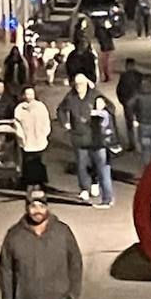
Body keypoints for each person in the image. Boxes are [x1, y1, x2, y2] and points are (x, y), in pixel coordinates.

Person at [55, 72, 101, 203]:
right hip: (78, 135)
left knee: (95, 161)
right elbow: (61, 110)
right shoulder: (70, 97)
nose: (78, 87)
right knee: (81, 163)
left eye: (81, 84)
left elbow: (110, 108)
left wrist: (100, 111)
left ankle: (95, 182)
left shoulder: (94, 95)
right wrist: (65, 123)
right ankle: (84, 188)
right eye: (76, 84)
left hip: (93, 135)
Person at [14, 85, 52, 186]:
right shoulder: (19, 108)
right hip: (26, 139)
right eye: (27, 94)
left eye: (31, 94)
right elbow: (17, 124)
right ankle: (28, 181)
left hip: (39, 138)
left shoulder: (41, 107)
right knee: (27, 160)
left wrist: (45, 133)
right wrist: (21, 136)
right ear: (23, 95)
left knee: (39, 159)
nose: (29, 96)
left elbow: (46, 121)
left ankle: (40, 181)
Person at [88, 95, 119, 207]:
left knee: (103, 173)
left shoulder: (100, 116)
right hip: (106, 146)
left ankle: (107, 199)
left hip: (100, 146)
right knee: (105, 172)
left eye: (100, 102)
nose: (98, 105)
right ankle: (108, 198)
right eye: (96, 103)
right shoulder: (109, 115)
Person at [115, 58, 142, 149]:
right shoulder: (140, 76)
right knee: (141, 123)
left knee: (129, 125)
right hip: (138, 103)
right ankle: (141, 141)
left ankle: (132, 143)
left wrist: (123, 101)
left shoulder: (123, 76)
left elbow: (119, 90)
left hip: (127, 103)